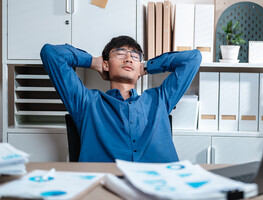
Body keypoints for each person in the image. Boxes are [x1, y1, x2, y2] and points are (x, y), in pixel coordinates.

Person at [40, 36, 202, 162]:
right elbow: (51, 53)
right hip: (105, 187)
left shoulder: (159, 99)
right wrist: (95, 62)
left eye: (135, 56)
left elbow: (193, 58)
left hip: (162, 186)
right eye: (120, 54)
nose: (128, 59)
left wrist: (146, 67)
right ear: (106, 65)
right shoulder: (87, 102)